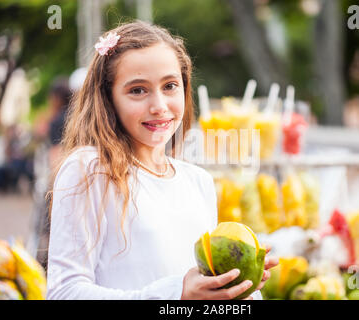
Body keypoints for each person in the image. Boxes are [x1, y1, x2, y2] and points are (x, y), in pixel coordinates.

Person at [46, 20, 277, 300]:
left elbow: (198, 289)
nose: (159, 106)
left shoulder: (198, 181)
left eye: (169, 86)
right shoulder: (90, 169)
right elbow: (64, 292)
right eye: (137, 90)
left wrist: (239, 288)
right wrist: (174, 294)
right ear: (108, 98)